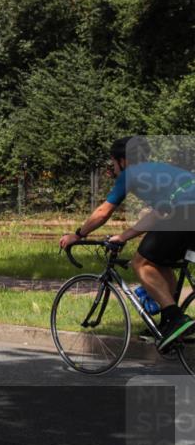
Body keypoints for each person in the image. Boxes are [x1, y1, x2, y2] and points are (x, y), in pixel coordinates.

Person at [60, 136, 195, 351]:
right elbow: (159, 213)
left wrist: (78, 234)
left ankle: (175, 318)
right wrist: (125, 236)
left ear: (123, 160)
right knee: (159, 263)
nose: (113, 168)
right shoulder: (160, 171)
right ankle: (166, 326)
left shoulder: (130, 174)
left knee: (140, 263)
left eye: (112, 162)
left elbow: (104, 212)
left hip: (185, 214)